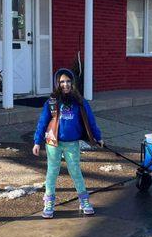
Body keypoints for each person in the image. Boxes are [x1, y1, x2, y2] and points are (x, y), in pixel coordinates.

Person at [32, 68, 103, 219]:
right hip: (53, 143)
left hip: (72, 143)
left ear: (73, 83)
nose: (65, 84)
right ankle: (49, 202)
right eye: (62, 82)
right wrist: (37, 142)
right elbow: (42, 122)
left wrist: (98, 136)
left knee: (75, 171)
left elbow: (90, 120)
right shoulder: (51, 102)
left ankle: (83, 200)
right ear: (57, 83)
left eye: (68, 81)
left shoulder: (79, 102)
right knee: (52, 172)